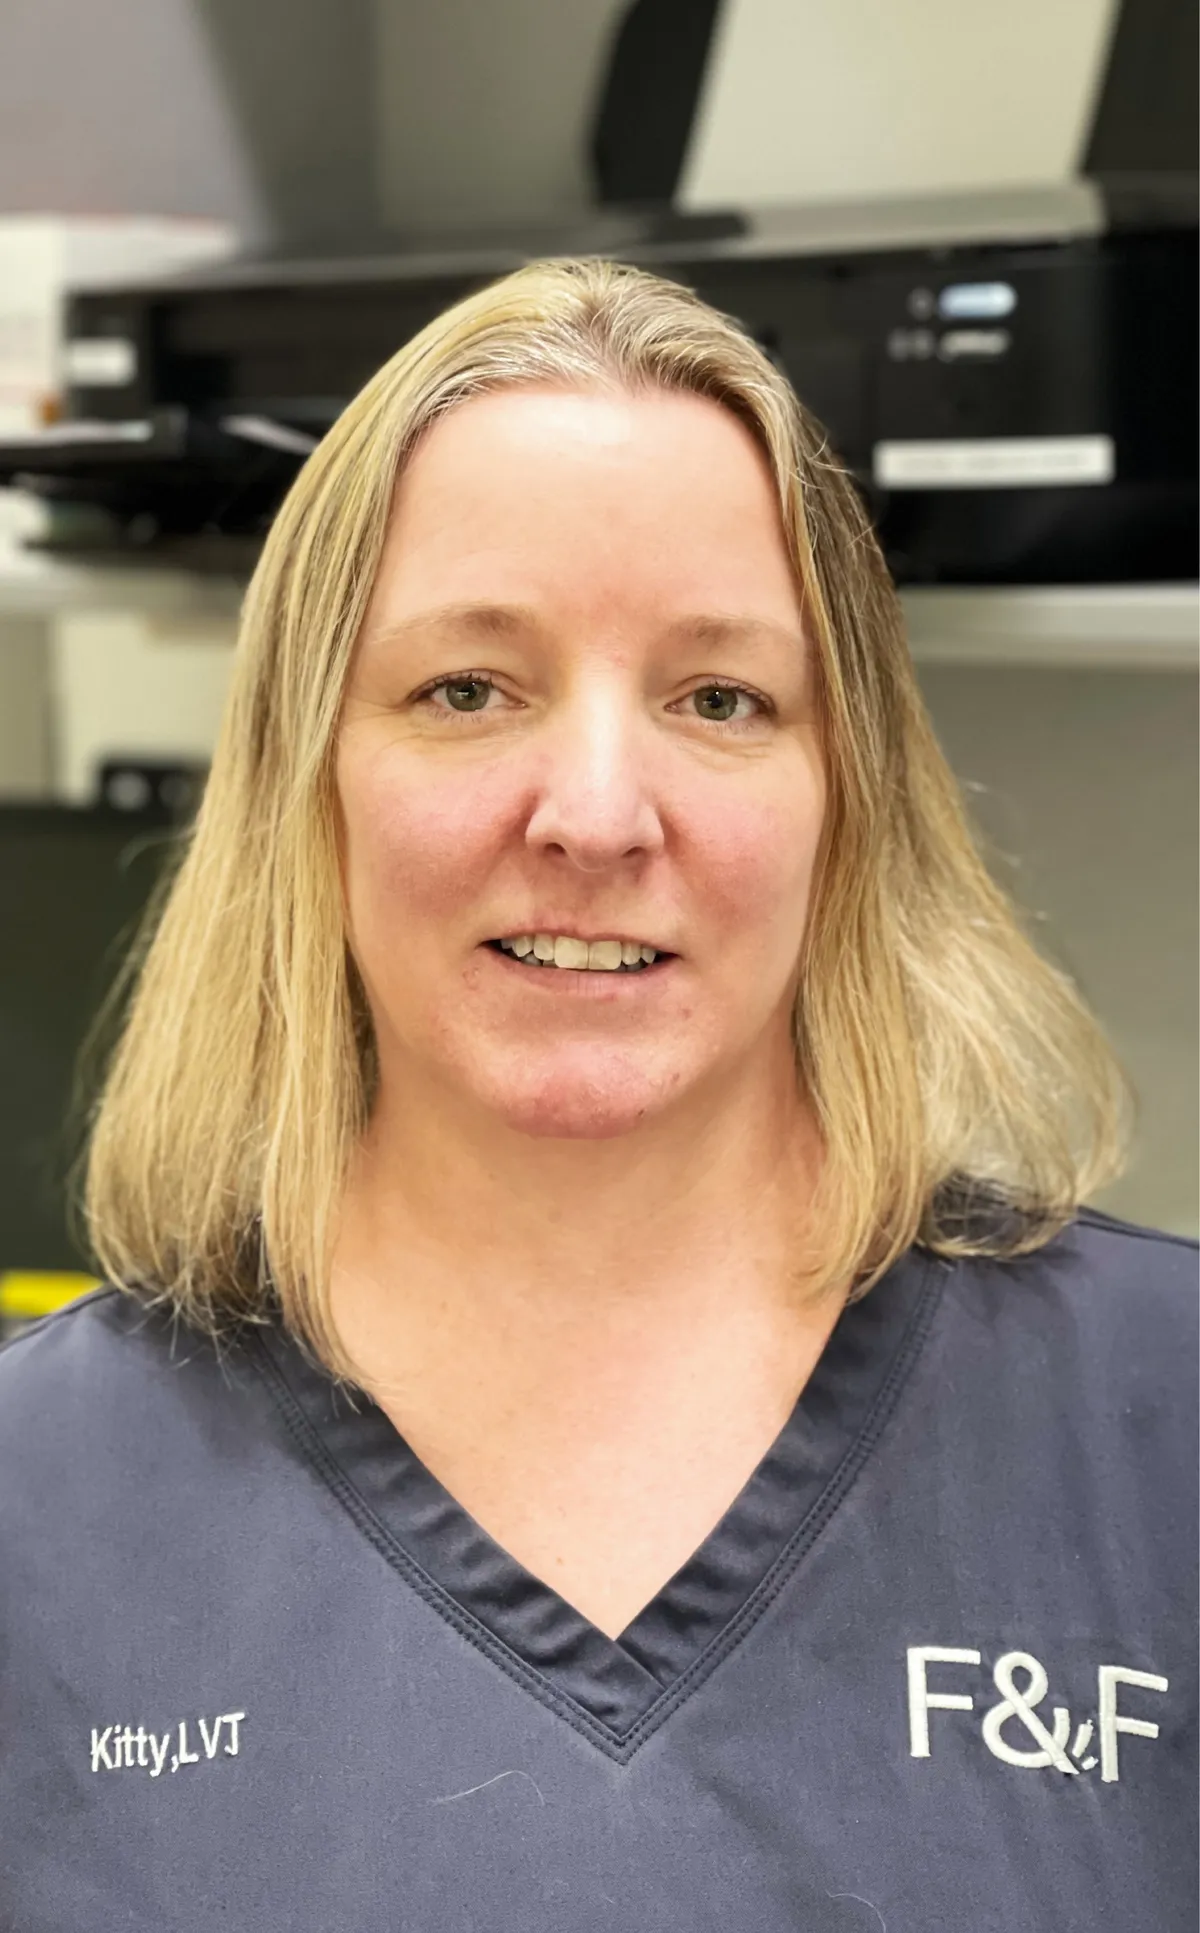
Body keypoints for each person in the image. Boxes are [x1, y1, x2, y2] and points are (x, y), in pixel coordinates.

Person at [0, 258, 1194, 1932]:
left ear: (844, 797)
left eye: (720, 699)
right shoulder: (37, 1501)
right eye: (467, 689)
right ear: (304, 782)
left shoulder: (1158, 1423)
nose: (597, 816)